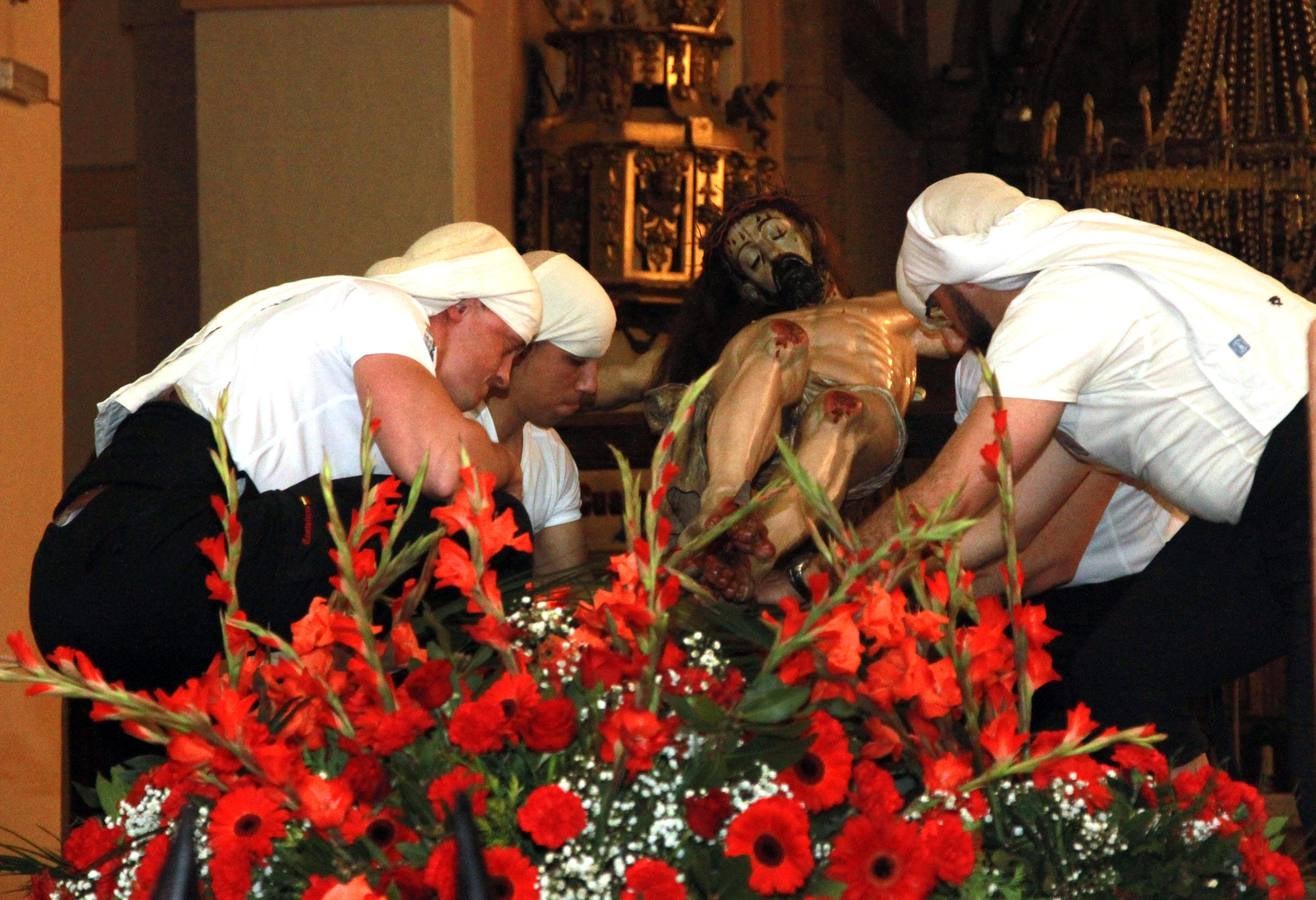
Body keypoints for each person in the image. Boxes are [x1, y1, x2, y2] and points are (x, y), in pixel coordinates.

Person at [835, 172, 1314, 819]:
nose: (949, 335)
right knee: (1125, 679)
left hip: (1298, 459)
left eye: (940, 311)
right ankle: (1227, 871)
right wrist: (900, 592)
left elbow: (945, 498)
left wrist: (828, 573)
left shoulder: (1058, 303)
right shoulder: (1060, 336)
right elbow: (1012, 528)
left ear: (957, 287)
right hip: (1262, 502)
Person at [30, 222, 542, 691]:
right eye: (509, 347)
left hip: (74, 583)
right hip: (158, 547)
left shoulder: (316, 327)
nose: (503, 376)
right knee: (490, 523)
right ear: (462, 307)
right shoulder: (382, 305)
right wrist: (509, 466)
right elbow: (440, 467)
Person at [595, 194, 842, 410]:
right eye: (754, 260)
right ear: (750, 290)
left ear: (810, 233)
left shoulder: (870, 315)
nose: (775, 255)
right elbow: (628, 379)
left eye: (777, 234)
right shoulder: (749, 347)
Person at [471, 250, 617, 577]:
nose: (590, 385)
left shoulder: (551, 456)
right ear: (521, 348)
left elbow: (564, 596)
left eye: (596, 366)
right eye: (576, 361)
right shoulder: (442, 432)